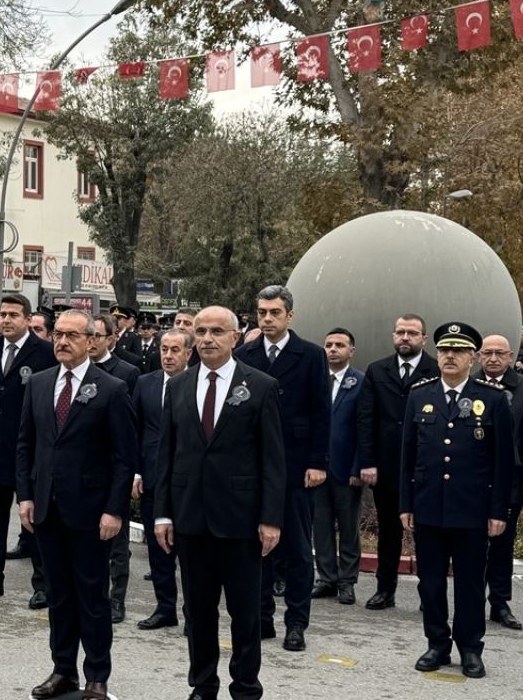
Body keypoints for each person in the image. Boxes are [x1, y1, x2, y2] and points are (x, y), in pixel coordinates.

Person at [154, 305, 284, 700]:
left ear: (234, 336)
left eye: (216, 331)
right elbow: (167, 454)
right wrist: (161, 513)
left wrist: (271, 518)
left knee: (245, 614)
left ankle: (245, 686)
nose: (207, 338)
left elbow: (273, 458)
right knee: (198, 613)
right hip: (191, 518)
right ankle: (203, 684)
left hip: (241, 521)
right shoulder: (178, 385)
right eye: (201, 331)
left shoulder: (260, 385)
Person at [17, 309, 136, 700]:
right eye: (58, 335)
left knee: (92, 596)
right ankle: (62, 669)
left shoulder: (112, 388)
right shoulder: (39, 384)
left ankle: (97, 675)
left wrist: (115, 509)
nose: (62, 342)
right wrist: (26, 497)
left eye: (71, 336)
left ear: (91, 340)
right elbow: (25, 445)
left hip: (90, 511)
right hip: (47, 509)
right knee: (59, 595)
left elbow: (123, 458)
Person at [401, 322, 513, 679]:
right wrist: (406, 504)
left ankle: (470, 648)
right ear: (437, 354)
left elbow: (502, 462)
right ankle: (437, 643)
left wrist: (498, 511)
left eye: (459, 351)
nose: (450, 356)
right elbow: (407, 456)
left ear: (473, 358)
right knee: (430, 582)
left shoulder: (492, 399)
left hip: (472, 510)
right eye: (445, 350)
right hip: (429, 506)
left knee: (468, 583)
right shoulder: (420, 395)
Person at [233, 285, 330, 652]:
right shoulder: (244, 354)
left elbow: (322, 411)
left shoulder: (310, 355)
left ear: (290, 315)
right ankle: (261, 618)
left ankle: (296, 623)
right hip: (253, 468)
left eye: (275, 312)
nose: (268, 319)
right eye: (262, 312)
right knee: (255, 549)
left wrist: (318, 462)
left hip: (295, 466)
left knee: (298, 552)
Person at [0, 294, 57, 610]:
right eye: (2, 314)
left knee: (33, 519)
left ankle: (43, 584)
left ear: (26, 318)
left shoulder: (46, 353)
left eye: (13, 315)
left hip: (31, 451)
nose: (6, 320)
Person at [356, 313, 440, 610]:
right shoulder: (377, 370)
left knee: (428, 533)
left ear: (424, 338)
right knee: (389, 531)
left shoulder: (436, 369)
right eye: (400, 332)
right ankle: (385, 589)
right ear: (393, 336)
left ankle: (429, 595)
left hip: (426, 466)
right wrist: (367, 461)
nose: (405, 338)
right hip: (388, 466)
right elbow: (366, 419)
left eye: (412, 333)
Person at [475, 333, 523, 630]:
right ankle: (470, 599)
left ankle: (499, 602)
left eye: (500, 353)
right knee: (470, 544)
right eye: (487, 353)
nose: (493, 358)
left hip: (508, 479)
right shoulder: (470, 385)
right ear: (478, 356)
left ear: (511, 357)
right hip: (472, 480)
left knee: (502, 545)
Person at [132, 328, 191, 632]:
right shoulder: (145, 383)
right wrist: (137, 471)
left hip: (189, 481)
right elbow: (136, 430)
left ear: (188, 354)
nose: (167, 356)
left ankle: (192, 612)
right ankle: (164, 607)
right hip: (154, 477)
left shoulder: (196, 384)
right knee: (159, 549)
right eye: (164, 349)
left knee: (191, 551)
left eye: (174, 350)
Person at [89, 313, 139, 625]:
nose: (91, 341)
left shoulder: (126, 373)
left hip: (112, 466)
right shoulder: (75, 371)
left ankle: (117, 598)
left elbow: (131, 427)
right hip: (84, 468)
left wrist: (133, 470)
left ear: (111, 339)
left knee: (117, 541)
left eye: (97, 336)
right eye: (88, 335)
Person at [311, 328, 365, 606]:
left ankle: (347, 581)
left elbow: (363, 428)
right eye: (329, 344)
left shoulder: (360, 382)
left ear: (351, 351)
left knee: (348, 528)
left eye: (339, 345)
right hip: (318, 469)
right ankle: (326, 579)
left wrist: (359, 467)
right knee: (320, 527)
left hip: (347, 470)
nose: (333, 349)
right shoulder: (315, 380)